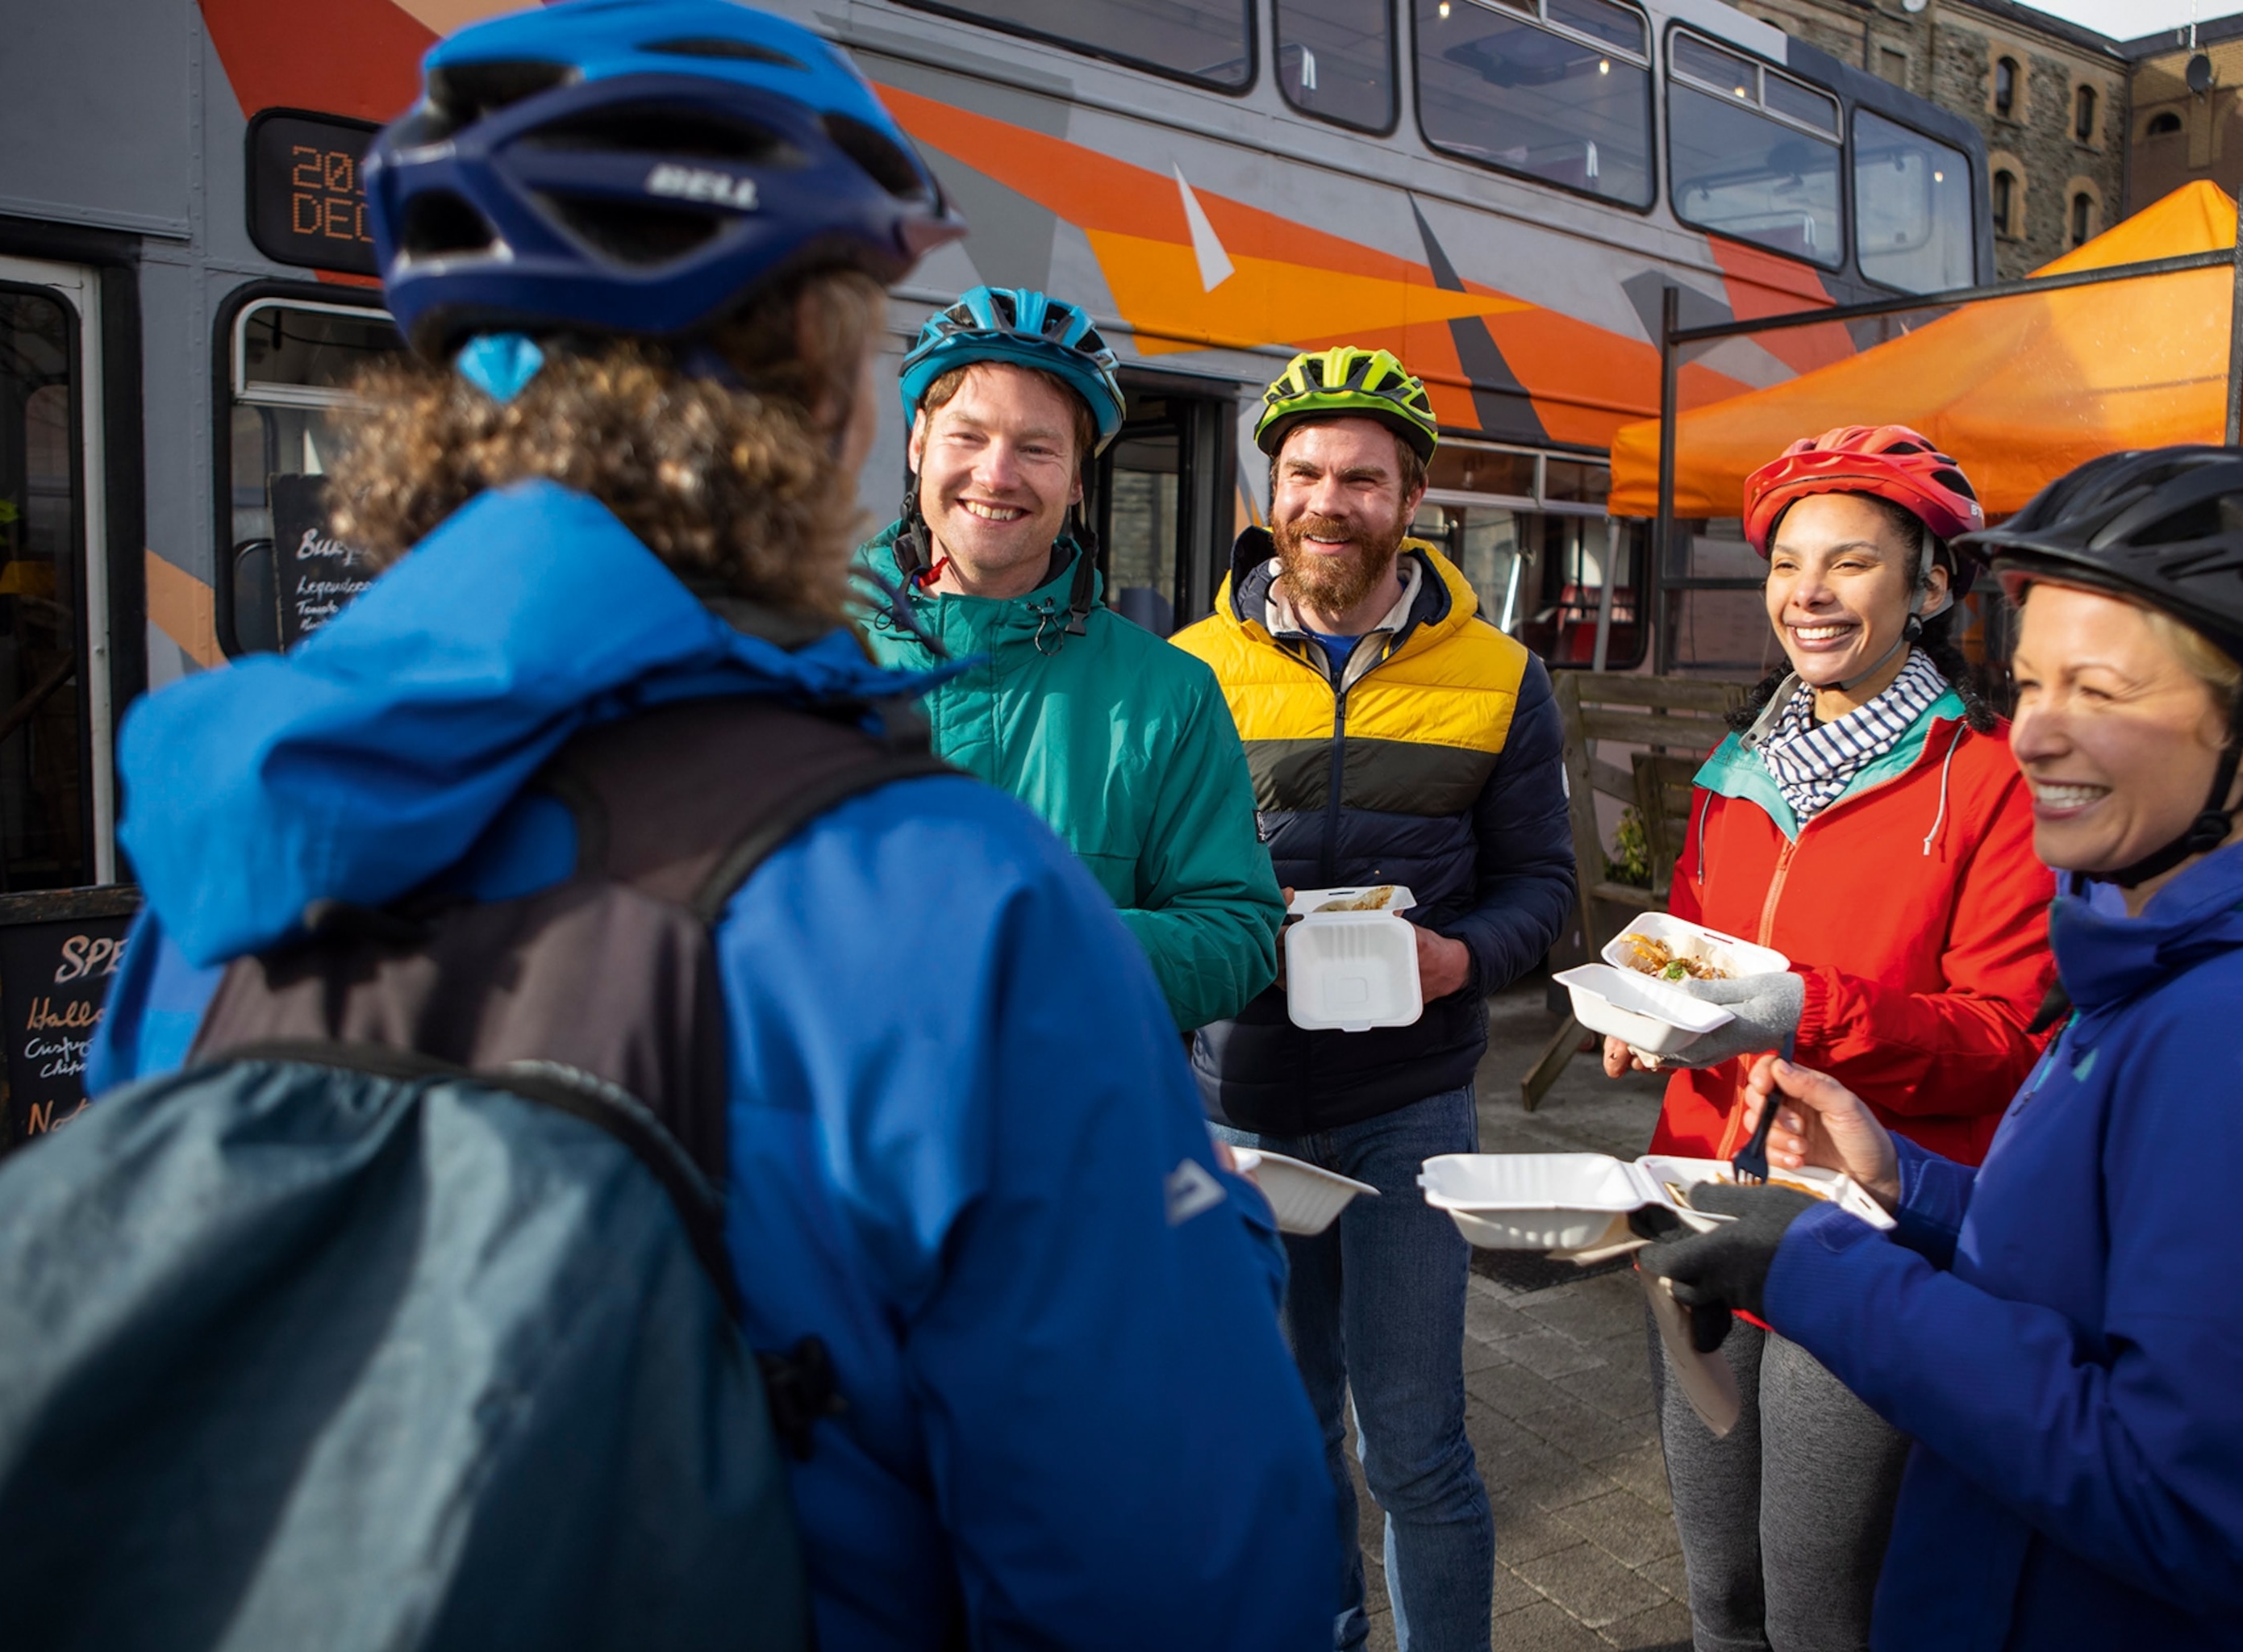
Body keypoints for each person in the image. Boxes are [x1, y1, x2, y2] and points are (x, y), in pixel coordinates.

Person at [85, 4, 1334, 1645]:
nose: (993, 466)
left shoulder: (229, 860)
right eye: (904, 377)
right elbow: (1183, 1582)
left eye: (1040, 443)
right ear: (828, 409)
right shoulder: (958, 912)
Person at [1636, 447, 2243, 1650]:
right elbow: (2088, 1268)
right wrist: (1900, 1184)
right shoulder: (2167, 969)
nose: (2030, 738)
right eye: (2028, 686)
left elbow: (2188, 1501)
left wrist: (1818, 1267)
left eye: (2103, 692)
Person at [1598, 425, 2053, 1652]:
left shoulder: (1995, 781)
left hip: (1860, 1230)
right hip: (1695, 1202)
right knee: (1718, 1596)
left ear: (1934, 585)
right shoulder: (1733, 769)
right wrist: (1647, 1017)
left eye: (1851, 563)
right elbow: (1688, 950)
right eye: (1789, 562)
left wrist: (1809, 1008)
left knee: (1818, 1611)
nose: (1809, 593)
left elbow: (2006, 1042)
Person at [1175, 345, 1578, 1652]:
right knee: (1289, 1436)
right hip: (1241, 1105)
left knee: (1416, 1442)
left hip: (1408, 1105)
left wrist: (1458, 957)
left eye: (1360, 475)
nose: (1325, 499)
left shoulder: (1500, 678)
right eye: (1301, 472)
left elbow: (1543, 885)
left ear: (1413, 496)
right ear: (1268, 486)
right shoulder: (1186, 671)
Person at [854, 288, 1282, 1032]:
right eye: (969, 436)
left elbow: (1237, 935)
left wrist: (1052, 944)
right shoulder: (801, 658)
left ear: (1078, 479)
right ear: (918, 442)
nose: (997, 475)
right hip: (841, 1131)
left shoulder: (1170, 692)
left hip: (1080, 1134)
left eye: (1037, 447)